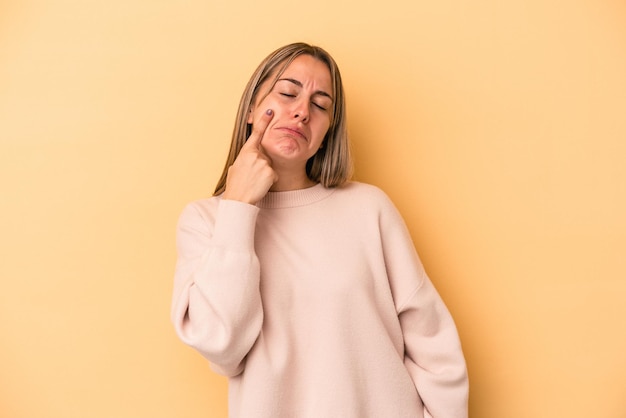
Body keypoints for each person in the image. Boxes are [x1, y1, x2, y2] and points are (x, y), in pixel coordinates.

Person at [171, 42, 469, 418]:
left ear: (327, 130)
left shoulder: (368, 209)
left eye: (320, 105)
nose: (301, 112)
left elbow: (433, 343)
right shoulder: (207, 221)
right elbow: (222, 345)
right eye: (288, 93)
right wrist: (238, 207)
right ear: (251, 109)